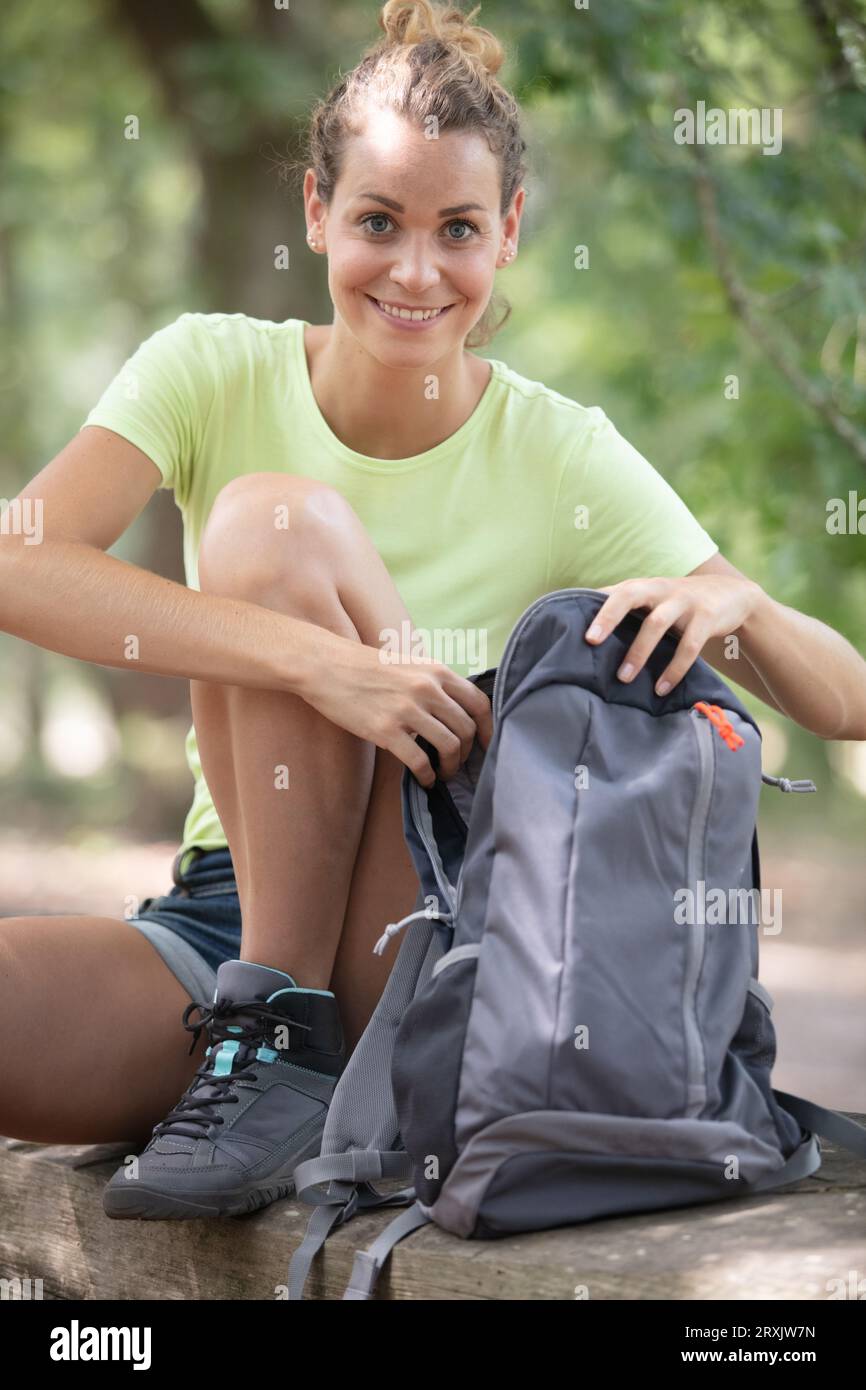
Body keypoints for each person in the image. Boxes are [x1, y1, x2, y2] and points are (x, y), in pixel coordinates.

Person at [1, 0, 864, 1220]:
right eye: (376, 222)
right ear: (314, 210)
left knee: (270, 519)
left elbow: (847, 700)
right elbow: (21, 562)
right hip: (218, 922)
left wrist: (739, 601)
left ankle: (288, 1040)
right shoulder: (209, 365)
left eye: (456, 229)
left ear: (508, 232)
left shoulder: (562, 452)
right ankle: (266, 1035)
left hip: (422, 931)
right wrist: (321, 665)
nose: (414, 271)